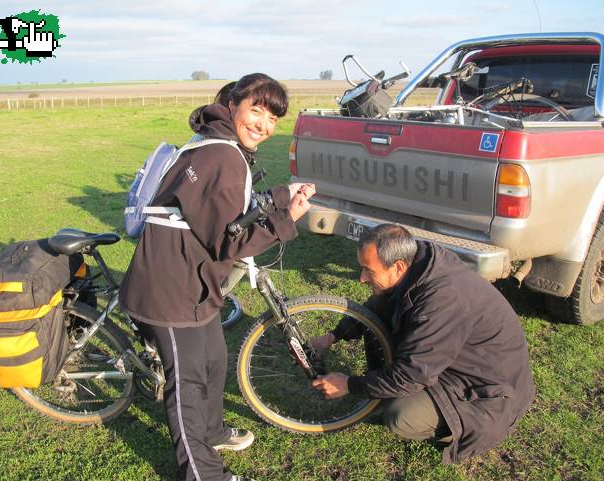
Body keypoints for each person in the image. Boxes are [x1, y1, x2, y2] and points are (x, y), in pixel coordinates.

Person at [120, 73, 315, 481]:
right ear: (233, 106)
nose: (263, 124)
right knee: (187, 384)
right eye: (256, 110)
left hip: (193, 284)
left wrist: (281, 196)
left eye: (273, 117)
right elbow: (230, 242)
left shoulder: (215, 145)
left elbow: (227, 207)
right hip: (171, 292)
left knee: (214, 358)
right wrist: (289, 218)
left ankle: (212, 430)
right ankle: (204, 474)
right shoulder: (222, 156)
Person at [310, 224, 535, 464]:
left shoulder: (441, 300)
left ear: (398, 267)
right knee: (379, 312)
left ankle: (450, 430)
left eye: (368, 270)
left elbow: (410, 375)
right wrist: (332, 336)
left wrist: (349, 384)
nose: (362, 278)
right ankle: (384, 391)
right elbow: (374, 308)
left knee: (400, 414)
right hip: (455, 363)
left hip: (486, 391)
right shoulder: (416, 268)